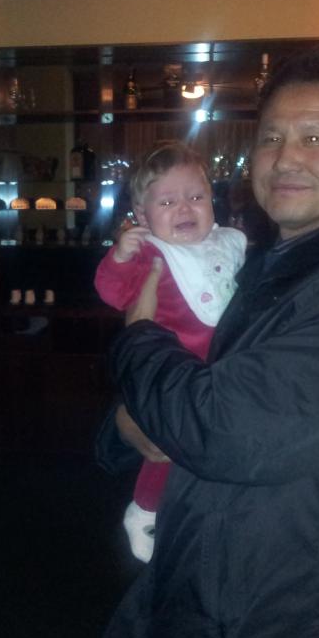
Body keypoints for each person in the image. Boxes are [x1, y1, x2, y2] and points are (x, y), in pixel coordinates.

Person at [94, 44, 319, 638]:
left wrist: (137, 338)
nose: (285, 158)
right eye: (271, 138)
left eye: (314, 137)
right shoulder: (256, 266)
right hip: (201, 591)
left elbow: (225, 431)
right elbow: (184, 395)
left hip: (288, 628)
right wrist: (125, 424)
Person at [94, 142, 246, 562]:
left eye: (196, 197)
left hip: (221, 376)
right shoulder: (150, 253)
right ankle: (145, 511)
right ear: (143, 217)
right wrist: (120, 257)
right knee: (164, 450)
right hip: (170, 374)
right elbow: (112, 293)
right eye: (167, 202)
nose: (184, 208)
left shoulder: (227, 244)